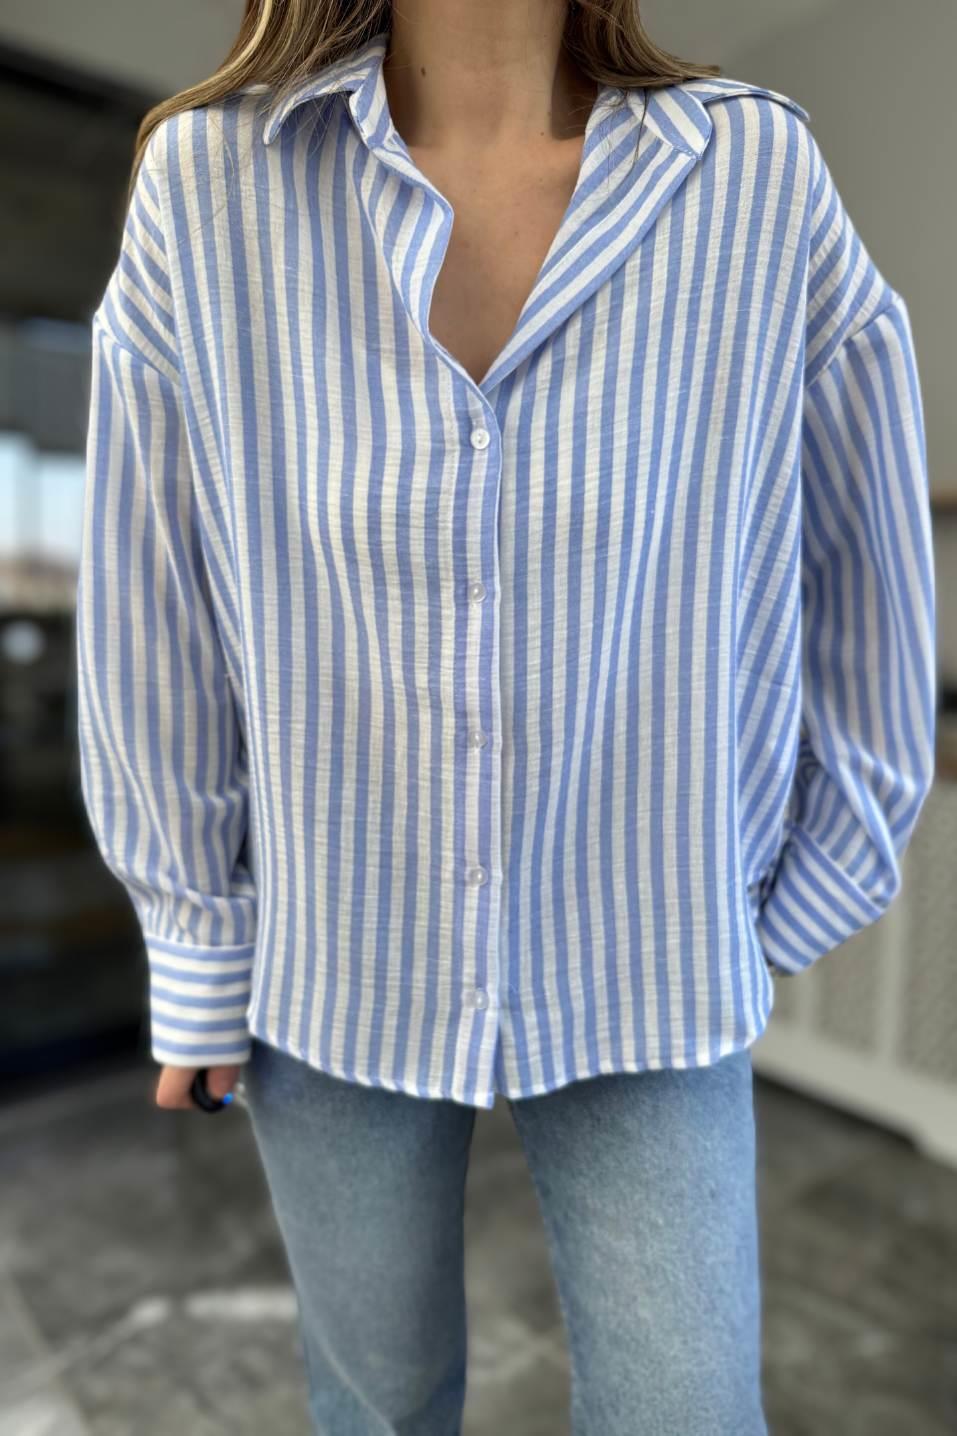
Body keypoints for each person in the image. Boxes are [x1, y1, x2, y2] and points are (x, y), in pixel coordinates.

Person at [75, 1, 937, 1432]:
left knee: (686, 1410)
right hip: (331, 959)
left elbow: (869, 561)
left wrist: (803, 879)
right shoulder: (210, 188)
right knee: (375, 1410)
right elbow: (154, 604)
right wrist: (197, 932)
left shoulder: (751, 181)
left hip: (652, 958)